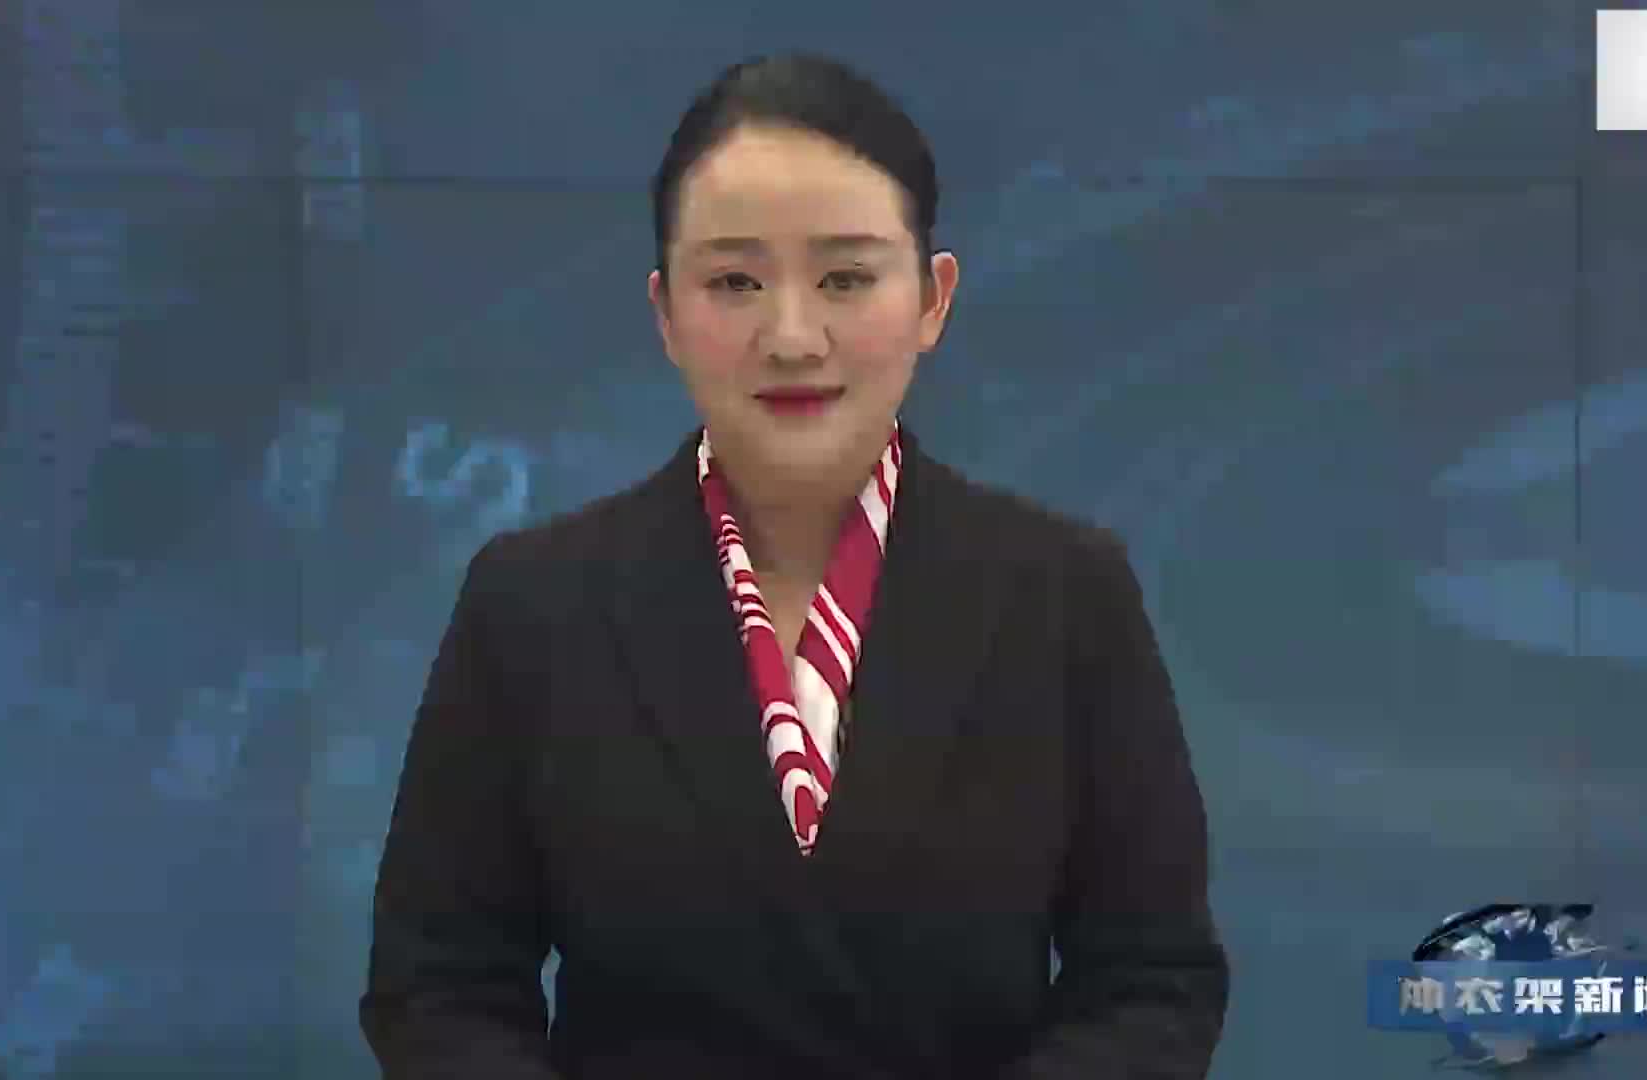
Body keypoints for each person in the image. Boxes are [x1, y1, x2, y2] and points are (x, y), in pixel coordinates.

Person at [359, 52, 1229, 1080]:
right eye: (734, 282)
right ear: (665, 313)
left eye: (846, 278)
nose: (791, 336)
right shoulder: (532, 605)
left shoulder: (1066, 593)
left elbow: (1151, 984)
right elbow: (439, 988)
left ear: (934, 299)